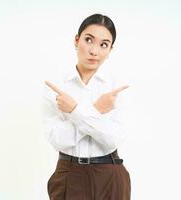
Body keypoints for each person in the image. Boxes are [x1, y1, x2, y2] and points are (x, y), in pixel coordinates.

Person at [42, 13, 131, 200]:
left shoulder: (115, 88)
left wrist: (74, 111)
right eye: (89, 40)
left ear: (110, 50)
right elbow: (58, 139)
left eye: (103, 44)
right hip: (68, 174)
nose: (94, 51)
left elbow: (112, 139)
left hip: (110, 174)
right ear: (77, 40)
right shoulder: (57, 87)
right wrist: (97, 110)